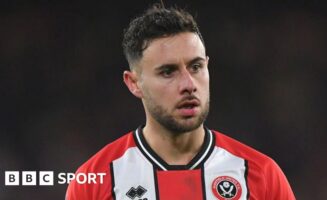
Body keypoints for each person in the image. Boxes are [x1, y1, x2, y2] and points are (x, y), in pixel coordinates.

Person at [66, 4, 295, 200]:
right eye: (168, 72)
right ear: (134, 83)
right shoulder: (93, 182)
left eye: (196, 67)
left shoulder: (261, 175)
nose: (188, 84)